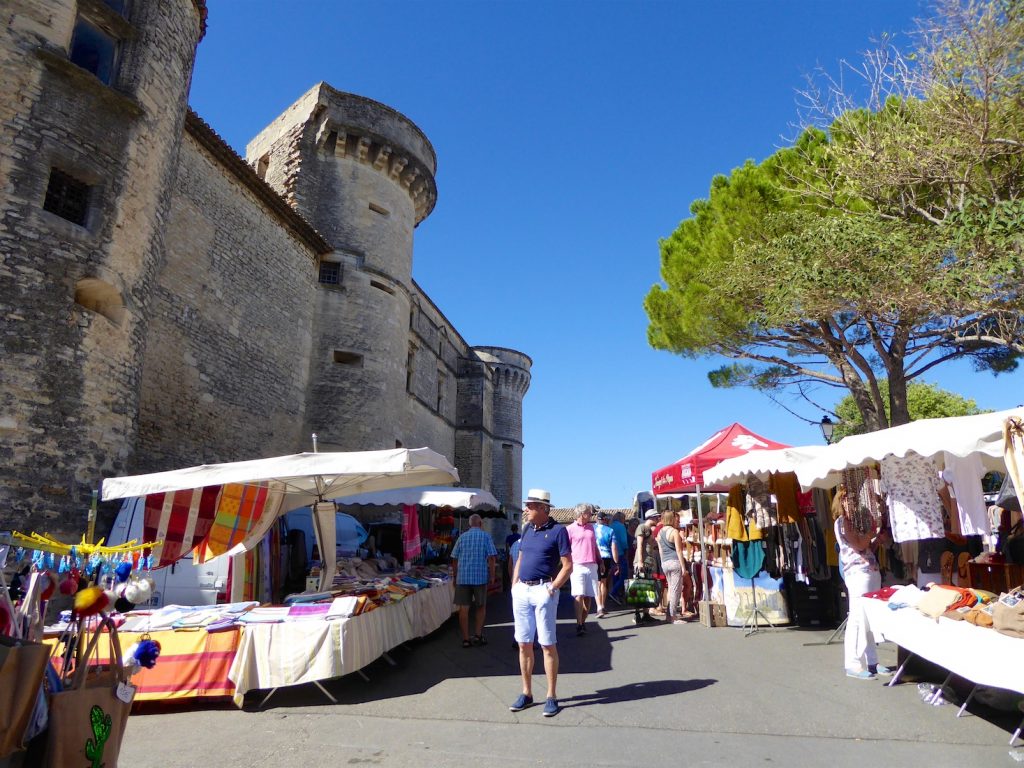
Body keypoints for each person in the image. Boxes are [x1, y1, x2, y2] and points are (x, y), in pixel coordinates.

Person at [510, 488, 572, 718]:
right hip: (522, 591)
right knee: (524, 643)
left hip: (543, 590)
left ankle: (551, 696)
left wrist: (553, 588)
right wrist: (514, 585)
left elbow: (567, 565)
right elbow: (521, 557)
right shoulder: (527, 529)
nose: (526, 509)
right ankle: (526, 693)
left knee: (547, 644)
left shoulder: (558, 531)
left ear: (544, 508)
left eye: (530, 506)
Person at [833, 487, 892, 680]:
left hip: (870, 570)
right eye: (848, 500)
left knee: (869, 618)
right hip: (858, 573)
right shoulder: (843, 522)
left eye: (854, 500)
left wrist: (875, 540)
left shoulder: (855, 522)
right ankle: (852, 663)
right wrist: (872, 532)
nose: (852, 503)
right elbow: (858, 545)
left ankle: (872, 661)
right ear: (840, 502)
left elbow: (866, 547)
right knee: (857, 618)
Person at [449, 513, 498, 648]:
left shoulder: (462, 537)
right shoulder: (486, 537)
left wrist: (455, 576)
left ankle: (465, 639)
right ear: (480, 524)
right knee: (481, 606)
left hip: (463, 578)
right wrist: (492, 575)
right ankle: (477, 635)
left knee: (463, 608)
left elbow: (454, 558)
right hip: (480, 577)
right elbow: (492, 558)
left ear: (469, 524)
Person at [566, 503, 602, 634]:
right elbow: (565, 549)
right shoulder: (569, 529)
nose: (591, 515)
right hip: (577, 565)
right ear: (582, 514)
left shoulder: (591, 528)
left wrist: (600, 561)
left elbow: (595, 546)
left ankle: (583, 620)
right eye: (590, 513)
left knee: (588, 596)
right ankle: (579, 623)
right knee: (578, 594)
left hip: (591, 564)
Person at [657, 509, 690, 623]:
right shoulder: (674, 532)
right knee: (676, 589)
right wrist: (683, 567)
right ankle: (673, 616)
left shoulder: (660, 533)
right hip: (675, 562)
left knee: (671, 588)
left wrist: (662, 563)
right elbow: (679, 550)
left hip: (665, 563)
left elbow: (660, 551)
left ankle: (669, 615)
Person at [593, 510, 619, 618]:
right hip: (606, 556)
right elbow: (614, 548)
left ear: (596, 519)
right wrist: (617, 562)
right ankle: (602, 606)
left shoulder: (591, 529)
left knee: (597, 583)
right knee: (603, 582)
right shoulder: (610, 530)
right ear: (605, 520)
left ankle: (599, 608)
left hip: (594, 557)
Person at [610, 512, 629, 601]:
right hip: (620, 553)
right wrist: (626, 551)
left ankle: (615, 594)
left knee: (615, 574)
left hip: (611, 554)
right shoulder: (621, 526)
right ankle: (614, 592)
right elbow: (623, 541)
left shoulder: (610, 526)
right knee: (624, 575)